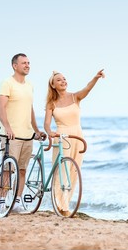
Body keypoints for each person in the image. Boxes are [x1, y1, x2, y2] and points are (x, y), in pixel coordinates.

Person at [44, 69, 105, 216]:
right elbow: (46, 123)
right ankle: (60, 206)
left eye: (64, 79)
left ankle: (65, 204)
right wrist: (50, 132)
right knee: (61, 171)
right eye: (59, 80)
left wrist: (95, 78)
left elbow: (87, 88)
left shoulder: (75, 97)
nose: (63, 81)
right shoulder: (51, 103)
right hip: (61, 136)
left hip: (77, 136)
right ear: (53, 85)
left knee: (73, 172)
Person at [0, 53, 45, 213]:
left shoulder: (29, 85)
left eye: (29, 63)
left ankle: (16, 202)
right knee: (8, 169)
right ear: (14, 66)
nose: (27, 65)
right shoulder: (7, 83)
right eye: (24, 63)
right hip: (11, 136)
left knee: (22, 169)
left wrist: (37, 130)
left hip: (27, 135)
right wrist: (8, 127)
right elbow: (0, 107)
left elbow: (29, 110)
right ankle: (1, 201)